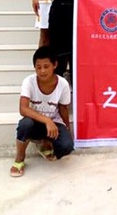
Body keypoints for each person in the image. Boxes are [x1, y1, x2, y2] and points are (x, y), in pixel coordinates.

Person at [9, 46, 75, 177]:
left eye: (46, 66)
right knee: (25, 125)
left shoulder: (63, 84)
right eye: (38, 67)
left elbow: (63, 108)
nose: (42, 71)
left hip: (54, 123)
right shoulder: (29, 81)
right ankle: (20, 158)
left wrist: (67, 129)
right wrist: (46, 120)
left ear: (54, 65)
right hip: (34, 122)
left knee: (67, 146)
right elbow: (23, 109)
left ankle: (45, 143)